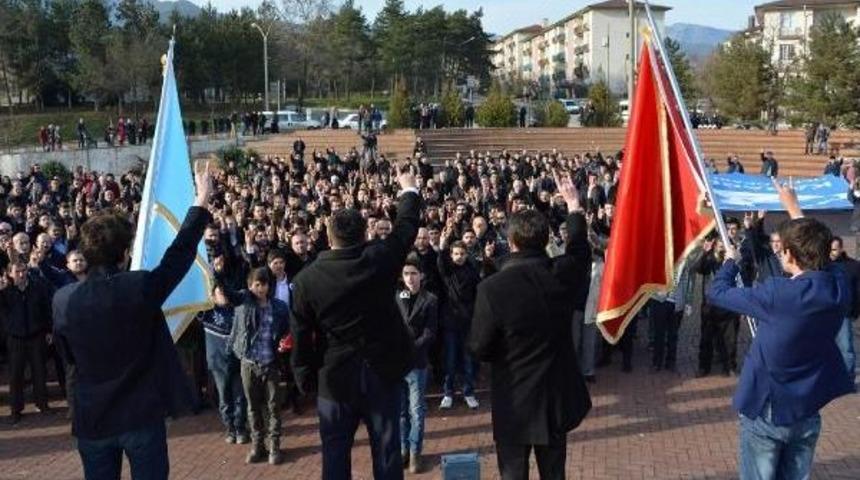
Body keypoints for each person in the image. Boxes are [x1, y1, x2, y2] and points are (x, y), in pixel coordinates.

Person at [51, 162, 213, 479]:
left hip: (93, 416)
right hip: (141, 414)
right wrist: (201, 200)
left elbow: (67, 356)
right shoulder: (138, 286)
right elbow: (177, 257)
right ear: (124, 253)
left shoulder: (63, 299)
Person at [706, 179, 854, 480]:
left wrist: (731, 263)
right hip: (807, 409)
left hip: (769, 410)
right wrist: (793, 208)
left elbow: (717, 293)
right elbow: (823, 259)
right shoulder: (838, 287)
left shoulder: (778, 294)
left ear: (788, 254)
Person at [290, 167, 421, 480]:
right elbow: (406, 228)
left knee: (334, 458)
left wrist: (304, 377)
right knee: (388, 456)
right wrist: (408, 189)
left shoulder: (306, 280)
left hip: (334, 379)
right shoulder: (379, 258)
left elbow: (300, 333)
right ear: (365, 235)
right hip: (382, 373)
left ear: (327, 236)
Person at [470, 172, 592, 480]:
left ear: (511, 243)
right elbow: (579, 250)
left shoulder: (492, 288)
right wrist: (574, 204)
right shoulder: (562, 274)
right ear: (546, 240)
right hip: (555, 399)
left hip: (513, 400)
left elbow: (479, 346)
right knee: (554, 475)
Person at [227, 267, 290, 465]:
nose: (261, 288)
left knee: (273, 407)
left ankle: (275, 447)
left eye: (265, 284)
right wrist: (218, 275)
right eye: (257, 284)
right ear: (250, 286)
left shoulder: (279, 307)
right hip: (249, 363)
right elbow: (230, 295)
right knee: (252, 407)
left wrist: (284, 341)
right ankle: (257, 445)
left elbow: (287, 331)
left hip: (271, 363)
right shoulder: (244, 304)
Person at [396, 254, 438, 474]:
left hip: (417, 363)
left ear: (421, 275)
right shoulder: (396, 297)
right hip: (397, 364)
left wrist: (412, 348)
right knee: (401, 412)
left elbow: (430, 332)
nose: (410, 278)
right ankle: (403, 450)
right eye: (406, 274)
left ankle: (415, 453)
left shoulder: (430, 299)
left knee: (417, 411)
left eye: (413, 273)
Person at [0, 260, 54, 424]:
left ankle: (42, 404)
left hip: (36, 335)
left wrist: (49, 330)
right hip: (15, 338)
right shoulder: (5, 292)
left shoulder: (37, 288)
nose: (21, 274)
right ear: (10, 274)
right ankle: (16, 409)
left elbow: (46, 309)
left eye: (24, 271)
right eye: (17, 272)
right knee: (16, 375)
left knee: (39, 371)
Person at [198, 283, 248, 445]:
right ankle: (230, 428)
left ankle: (240, 428)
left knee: (240, 396)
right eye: (219, 292)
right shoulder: (207, 312)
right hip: (218, 364)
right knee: (225, 398)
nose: (223, 295)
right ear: (212, 296)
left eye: (225, 292)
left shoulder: (237, 309)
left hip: (238, 361)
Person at [437, 240, 481, 410]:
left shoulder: (472, 271)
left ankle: (468, 392)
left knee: (468, 360)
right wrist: (442, 246)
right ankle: (448, 393)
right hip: (450, 323)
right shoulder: (448, 272)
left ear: (466, 254)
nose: (459, 257)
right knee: (449, 360)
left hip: (468, 322)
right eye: (456, 254)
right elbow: (441, 263)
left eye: (462, 254)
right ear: (451, 255)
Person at [831, 236, 859, 384]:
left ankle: (848, 380)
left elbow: (857, 290)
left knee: (846, 348)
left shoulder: (853, 266)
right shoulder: (822, 266)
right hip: (824, 315)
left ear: (841, 249)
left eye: (835, 249)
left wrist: (855, 310)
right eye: (829, 249)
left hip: (843, 313)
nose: (831, 252)